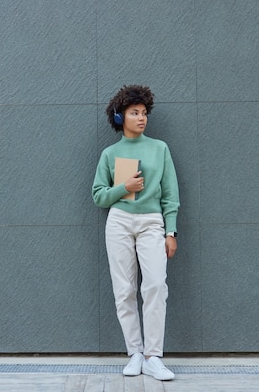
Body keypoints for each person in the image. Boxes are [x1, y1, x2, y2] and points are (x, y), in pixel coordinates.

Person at [92, 85, 180, 381]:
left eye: (144, 113)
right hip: (118, 223)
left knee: (156, 285)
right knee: (124, 290)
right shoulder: (110, 154)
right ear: (120, 117)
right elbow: (98, 196)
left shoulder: (160, 148)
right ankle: (135, 354)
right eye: (134, 113)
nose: (141, 118)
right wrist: (124, 188)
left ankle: (154, 356)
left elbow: (170, 194)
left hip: (152, 222)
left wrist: (171, 231)